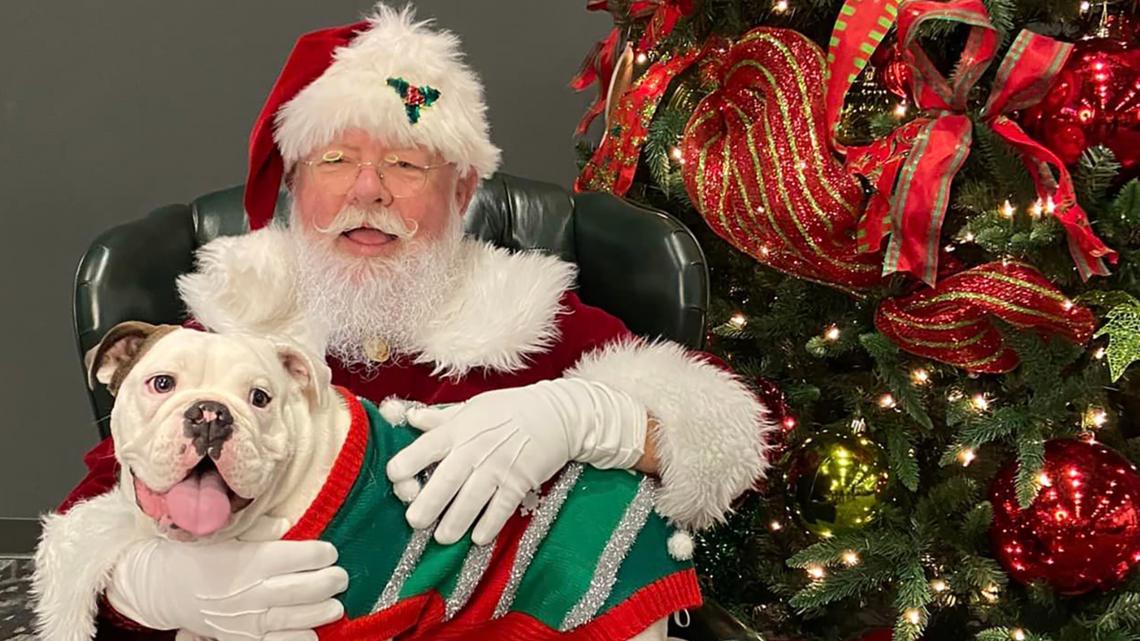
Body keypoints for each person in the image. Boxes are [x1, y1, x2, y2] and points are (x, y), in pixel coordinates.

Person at [36, 4, 774, 641]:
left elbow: (736, 432)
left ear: (462, 189)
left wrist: (587, 413)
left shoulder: (525, 315)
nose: (369, 190)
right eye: (335, 159)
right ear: (293, 184)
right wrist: (146, 582)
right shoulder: (231, 330)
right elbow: (101, 500)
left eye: (406, 165)